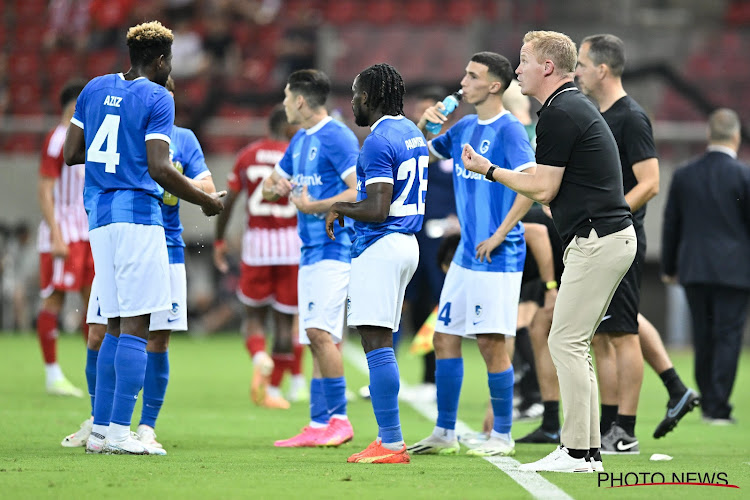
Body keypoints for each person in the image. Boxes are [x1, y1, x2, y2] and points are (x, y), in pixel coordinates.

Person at [462, 30, 637, 473]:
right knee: (573, 342)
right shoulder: (567, 107)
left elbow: (544, 186)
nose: (516, 68)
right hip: (604, 238)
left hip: (599, 239)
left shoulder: (560, 112)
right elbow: (548, 191)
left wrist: (489, 170)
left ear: (546, 68)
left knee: (566, 340)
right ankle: (587, 449)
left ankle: (578, 452)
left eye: (523, 60)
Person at [63, 20, 224, 456]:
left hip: (99, 217)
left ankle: (100, 432)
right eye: (168, 59)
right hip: (138, 217)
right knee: (137, 326)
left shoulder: (94, 88)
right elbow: (159, 167)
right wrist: (206, 204)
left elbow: (71, 154)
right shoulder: (157, 96)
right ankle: (118, 433)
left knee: (113, 324)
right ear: (160, 60)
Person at [407, 52, 536, 458]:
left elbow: (531, 185)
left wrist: (500, 233)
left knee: (490, 344)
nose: (463, 81)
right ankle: (445, 431)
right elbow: (425, 155)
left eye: (473, 75)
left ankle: (502, 434)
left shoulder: (510, 131)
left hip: (497, 255)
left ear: (494, 86)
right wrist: (420, 128)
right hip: (465, 256)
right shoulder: (463, 126)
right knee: (444, 338)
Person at [576, 34, 699, 452]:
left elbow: (650, 183)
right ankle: (610, 424)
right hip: (603, 237)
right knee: (604, 334)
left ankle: (624, 431)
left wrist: (612, 218)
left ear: (602, 69)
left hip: (622, 237)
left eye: (581, 63)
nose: (576, 71)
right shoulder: (602, 113)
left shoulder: (631, 116)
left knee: (623, 333)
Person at [325, 62, 426, 464]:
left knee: (376, 342)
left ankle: (390, 441)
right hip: (406, 243)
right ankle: (389, 439)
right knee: (380, 341)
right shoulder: (412, 131)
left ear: (371, 97)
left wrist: (340, 206)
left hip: (382, 244)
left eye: (355, 94)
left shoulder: (378, 139)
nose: (352, 101)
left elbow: (379, 207)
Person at [262, 69, 359, 448]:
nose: (284, 104)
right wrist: (276, 186)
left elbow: (357, 192)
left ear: (300, 100)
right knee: (315, 335)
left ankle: (339, 420)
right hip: (310, 250)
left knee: (320, 333)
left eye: (286, 97)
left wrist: (312, 205)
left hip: (336, 247)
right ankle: (319, 424)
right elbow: (271, 186)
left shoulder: (337, 136)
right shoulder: (300, 140)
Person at [662, 108, 750, 425]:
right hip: (735, 273)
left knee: (703, 335)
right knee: (728, 337)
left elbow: (672, 224)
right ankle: (718, 406)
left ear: (709, 134)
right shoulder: (745, 175)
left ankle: (708, 401)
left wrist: (670, 267)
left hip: (695, 269)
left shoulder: (685, 174)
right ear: (736, 136)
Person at [214, 104, 305, 409]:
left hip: (257, 246)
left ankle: (259, 356)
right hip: (292, 246)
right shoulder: (299, 156)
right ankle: (276, 391)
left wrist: (219, 239)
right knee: (283, 321)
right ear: (290, 128)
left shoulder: (248, 155)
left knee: (253, 317)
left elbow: (228, 202)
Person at [402, 86, 458, 399]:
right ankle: (418, 376)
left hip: (444, 242)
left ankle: (436, 377)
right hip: (413, 236)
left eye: (435, 112)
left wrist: (459, 219)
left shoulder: (455, 148)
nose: (431, 118)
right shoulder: (412, 149)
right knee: (413, 305)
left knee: (440, 307)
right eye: (424, 112)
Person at [36, 80, 90, 398]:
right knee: (55, 300)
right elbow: (44, 189)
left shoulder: (81, 139)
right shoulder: (58, 140)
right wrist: (56, 235)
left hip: (85, 232)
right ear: (75, 107)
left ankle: (94, 370)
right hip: (64, 233)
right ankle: (52, 373)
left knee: (92, 303)